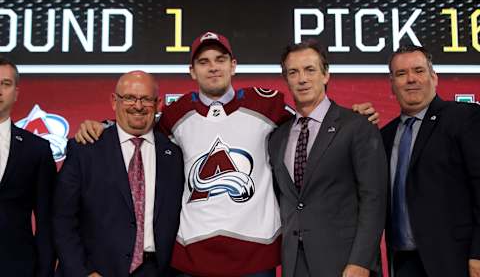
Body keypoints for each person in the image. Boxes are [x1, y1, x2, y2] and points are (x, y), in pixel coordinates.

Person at [74, 32, 379, 277]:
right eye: (204, 61)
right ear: (192, 71)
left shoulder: (268, 105)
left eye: (220, 59)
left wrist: (349, 114)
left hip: (255, 255)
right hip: (191, 256)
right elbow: (137, 126)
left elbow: (313, 121)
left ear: (234, 65)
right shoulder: (175, 113)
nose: (213, 67)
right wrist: (102, 126)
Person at [268, 40, 388, 277]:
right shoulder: (277, 137)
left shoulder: (356, 125)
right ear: (286, 79)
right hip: (294, 262)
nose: (302, 79)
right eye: (293, 72)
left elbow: (374, 199)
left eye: (310, 70)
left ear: (326, 75)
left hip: (345, 263)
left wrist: (361, 261)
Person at [53, 71, 184, 277]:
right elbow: (62, 218)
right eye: (130, 98)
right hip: (96, 270)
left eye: (146, 99)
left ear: (158, 104)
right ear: (114, 101)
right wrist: (82, 272)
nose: (138, 106)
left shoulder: (174, 155)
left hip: (155, 271)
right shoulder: (85, 149)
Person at [381, 45, 480, 277]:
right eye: (401, 74)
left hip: (456, 261)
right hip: (403, 262)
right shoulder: (383, 136)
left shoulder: (464, 119)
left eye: (418, 70)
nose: (411, 79)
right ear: (392, 84)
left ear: (434, 77)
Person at [0, 57, 57, 277]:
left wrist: (44, 272)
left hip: (17, 268)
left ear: (16, 93)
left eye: (5, 84)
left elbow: (46, 221)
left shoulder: (37, 149)